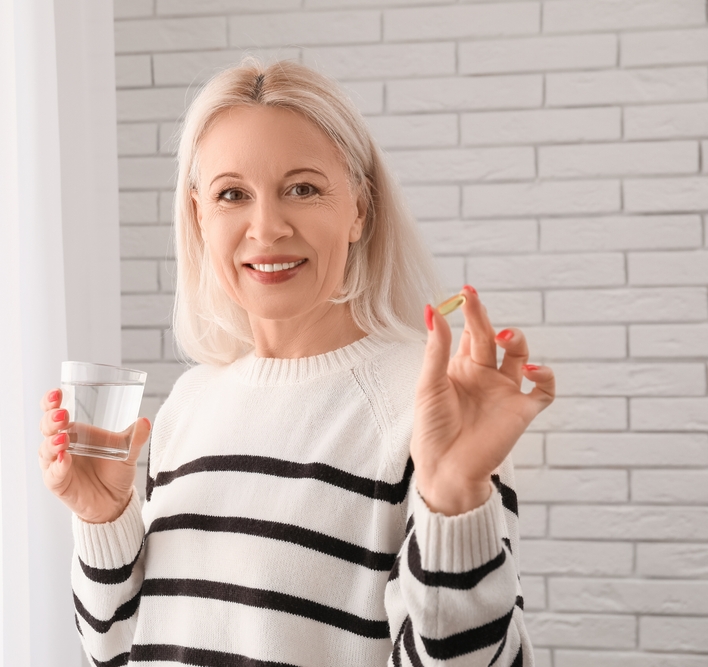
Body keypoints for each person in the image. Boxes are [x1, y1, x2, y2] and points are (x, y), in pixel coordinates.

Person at [40, 60, 555, 667]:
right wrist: (105, 519)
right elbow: (118, 650)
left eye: (302, 188)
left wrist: (456, 498)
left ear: (358, 208)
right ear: (200, 217)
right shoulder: (189, 404)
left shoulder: (428, 405)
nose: (268, 227)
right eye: (233, 194)